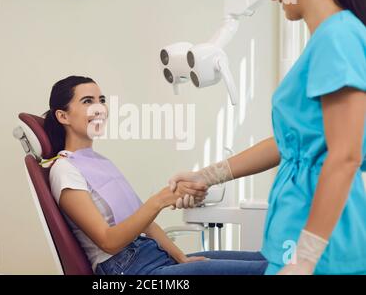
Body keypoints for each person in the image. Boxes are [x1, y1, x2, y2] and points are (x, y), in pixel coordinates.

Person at [169, 0, 366, 275]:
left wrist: (305, 260)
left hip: (321, 244)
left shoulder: (337, 37)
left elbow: (345, 156)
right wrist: (206, 176)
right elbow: (287, 143)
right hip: (294, 230)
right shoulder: (329, 39)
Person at [43, 76, 268, 275]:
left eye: (102, 100)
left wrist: (181, 258)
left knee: (270, 260)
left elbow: (147, 226)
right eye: (88, 101)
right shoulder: (64, 169)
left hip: (152, 254)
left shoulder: (99, 162)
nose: (100, 108)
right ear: (63, 116)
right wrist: (159, 200)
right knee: (268, 271)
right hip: (128, 268)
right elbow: (109, 242)